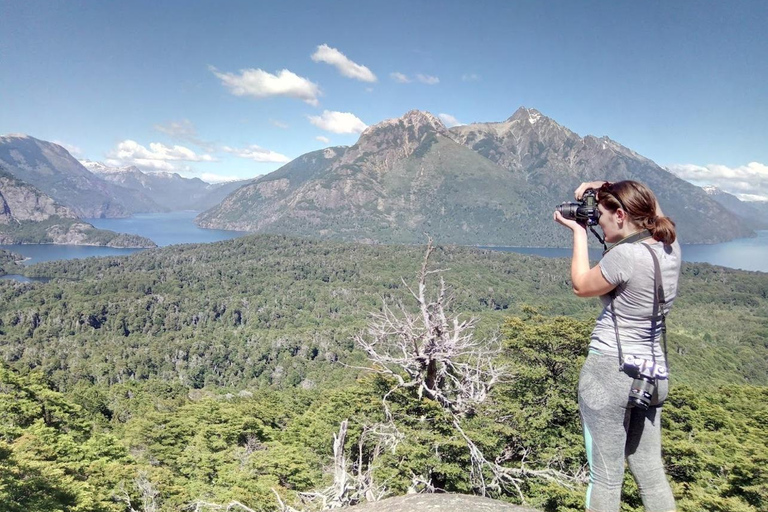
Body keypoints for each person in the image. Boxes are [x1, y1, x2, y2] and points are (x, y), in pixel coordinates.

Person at [553, 180, 681, 512]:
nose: (598, 220)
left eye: (600, 215)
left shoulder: (624, 255)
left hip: (609, 373)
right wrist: (605, 186)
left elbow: (581, 286)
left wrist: (579, 232)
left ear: (621, 215)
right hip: (653, 375)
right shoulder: (670, 247)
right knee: (651, 474)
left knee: (606, 478)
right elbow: (652, 206)